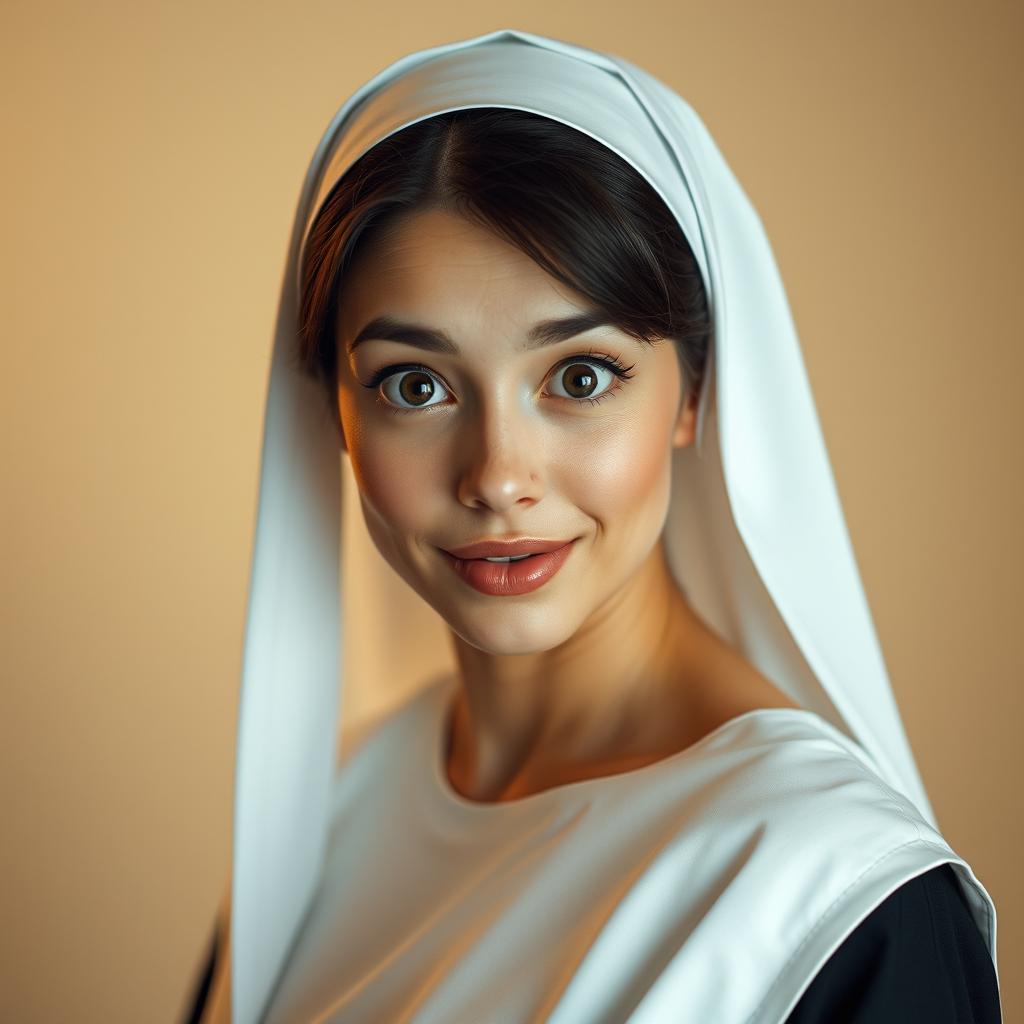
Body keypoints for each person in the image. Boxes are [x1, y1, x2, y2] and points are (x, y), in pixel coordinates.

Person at [183, 29, 1001, 1023]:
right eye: (416, 384)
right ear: (335, 418)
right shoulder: (326, 812)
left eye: (578, 377)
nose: (496, 477)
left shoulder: (837, 895)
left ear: (694, 390)